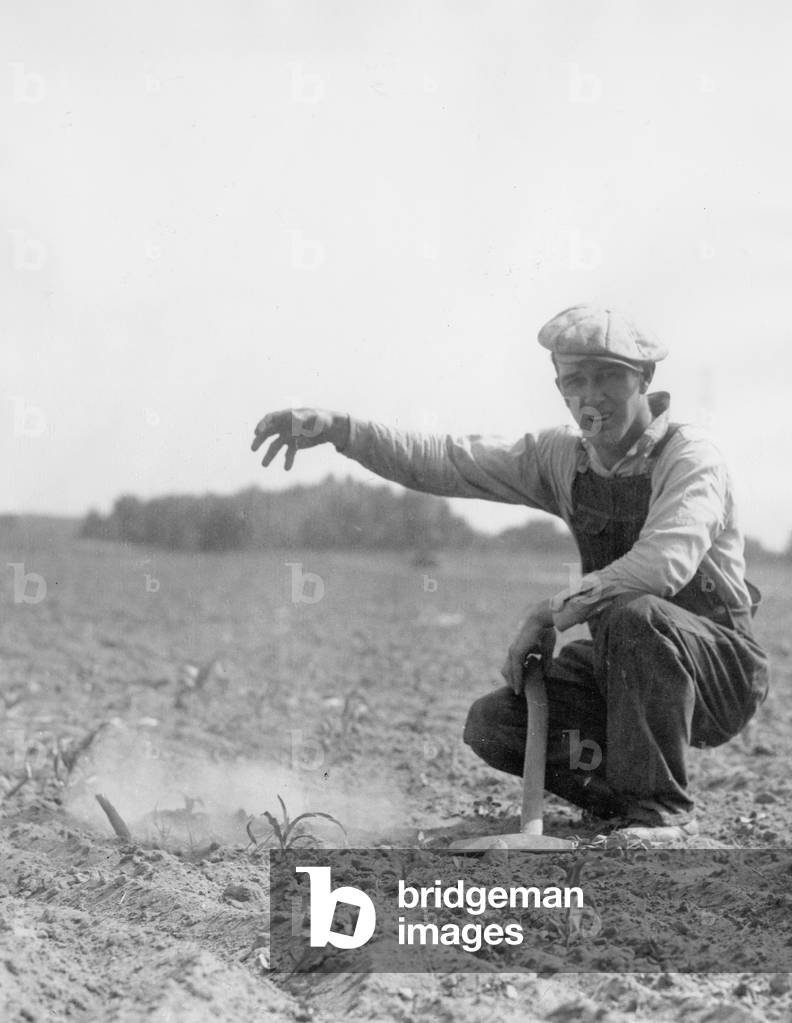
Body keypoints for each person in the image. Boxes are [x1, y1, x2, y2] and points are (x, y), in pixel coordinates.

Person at [251, 304, 769, 838]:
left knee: (636, 615)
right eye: (575, 380)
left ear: (646, 378)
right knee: (497, 724)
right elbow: (449, 460)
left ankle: (660, 812)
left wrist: (553, 612)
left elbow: (664, 564)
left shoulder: (690, 456)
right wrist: (342, 430)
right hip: (624, 664)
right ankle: (620, 801)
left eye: (610, 376)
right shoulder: (564, 458)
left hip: (717, 671)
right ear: (560, 387)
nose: (592, 395)